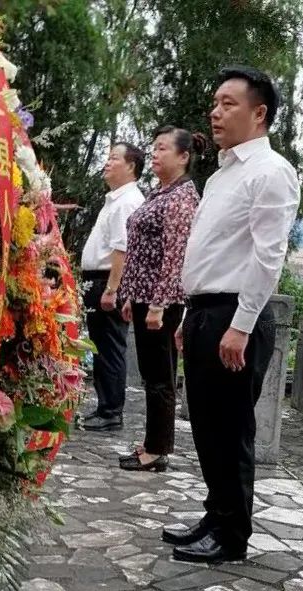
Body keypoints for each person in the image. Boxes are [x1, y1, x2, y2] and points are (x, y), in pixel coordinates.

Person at [161, 65, 300, 563]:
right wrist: (187, 315)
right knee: (205, 424)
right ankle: (216, 514)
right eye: (215, 103)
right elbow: (211, 252)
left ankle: (232, 533)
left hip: (235, 314)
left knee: (230, 427)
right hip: (205, 310)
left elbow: (268, 255)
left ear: (259, 113)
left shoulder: (270, 172)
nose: (215, 112)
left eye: (228, 103)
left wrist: (241, 324)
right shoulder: (223, 174)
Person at [118, 127, 204, 472]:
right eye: (154, 148)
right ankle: (153, 441)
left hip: (161, 301)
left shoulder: (182, 197)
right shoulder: (160, 192)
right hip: (144, 295)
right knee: (152, 374)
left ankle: (157, 450)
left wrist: (158, 304)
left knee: (159, 375)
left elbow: (175, 257)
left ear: (183, 157)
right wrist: (131, 296)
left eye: (163, 149)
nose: (155, 154)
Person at [79, 142, 145, 431]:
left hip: (108, 280)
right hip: (99, 279)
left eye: (114, 158)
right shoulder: (115, 200)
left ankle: (111, 411)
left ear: (131, 166)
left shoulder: (127, 201)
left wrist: (112, 289)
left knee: (110, 346)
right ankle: (105, 406)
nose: (107, 163)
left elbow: (123, 248)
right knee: (102, 346)